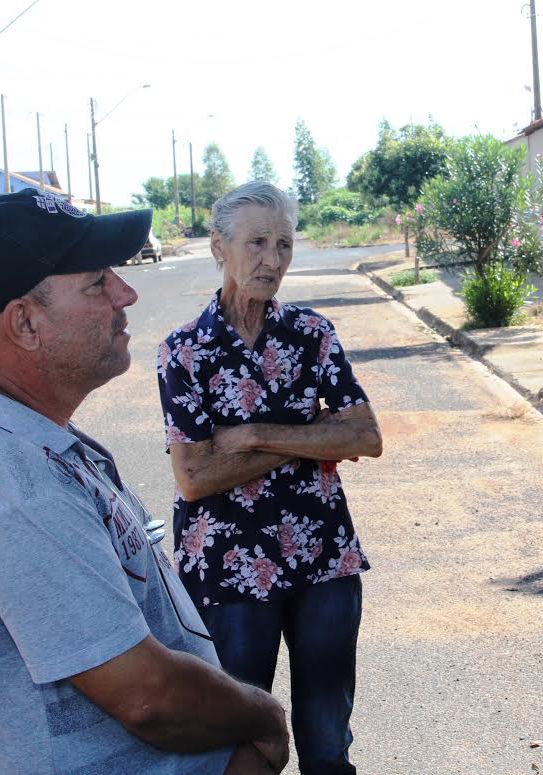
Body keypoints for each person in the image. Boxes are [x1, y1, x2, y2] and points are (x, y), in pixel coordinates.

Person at [0, 188, 289, 775]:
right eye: (96, 282)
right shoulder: (11, 482)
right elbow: (149, 697)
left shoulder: (25, 436)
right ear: (24, 324)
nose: (126, 294)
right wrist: (262, 719)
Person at [157, 182, 382, 775]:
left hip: (322, 554)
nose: (273, 260)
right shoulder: (184, 350)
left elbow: (365, 437)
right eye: (256, 242)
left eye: (284, 244)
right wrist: (308, 435)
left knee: (328, 738)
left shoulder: (313, 334)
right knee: (240, 738)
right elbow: (194, 477)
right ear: (218, 247)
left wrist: (257, 434)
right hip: (228, 562)